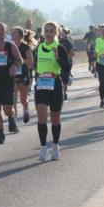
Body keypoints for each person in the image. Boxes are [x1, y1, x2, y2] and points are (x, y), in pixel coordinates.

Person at [33, 21, 71, 162]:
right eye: (47, 31)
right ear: (43, 33)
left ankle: (55, 145)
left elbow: (66, 67)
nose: (49, 33)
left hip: (55, 84)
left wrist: (58, 58)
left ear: (56, 33)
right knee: (41, 116)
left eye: (51, 31)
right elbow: (35, 65)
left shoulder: (59, 48)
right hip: (41, 85)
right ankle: (43, 147)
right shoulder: (39, 48)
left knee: (55, 118)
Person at [11, 26, 36, 124]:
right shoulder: (10, 46)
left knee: (23, 99)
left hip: (23, 75)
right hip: (13, 76)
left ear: (20, 36)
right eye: (12, 32)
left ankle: (25, 109)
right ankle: (14, 120)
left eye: (14, 33)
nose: (12, 34)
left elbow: (31, 62)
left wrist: (20, 61)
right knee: (13, 99)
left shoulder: (25, 47)